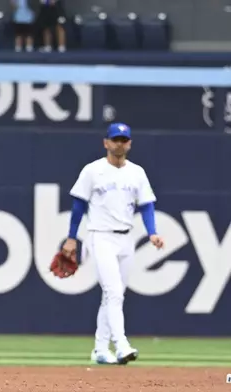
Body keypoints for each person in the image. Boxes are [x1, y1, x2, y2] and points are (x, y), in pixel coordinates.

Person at [62, 123, 164, 365]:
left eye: (123, 140)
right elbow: (79, 206)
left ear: (129, 143)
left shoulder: (137, 172)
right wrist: (71, 237)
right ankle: (121, 345)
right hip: (100, 236)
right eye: (115, 139)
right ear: (105, 142)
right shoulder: (93, 171)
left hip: (126, 238)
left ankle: (100, 349)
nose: (119, 143)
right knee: (114, 292)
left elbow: (147, 205)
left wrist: (152, 232)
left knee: (113, 297)